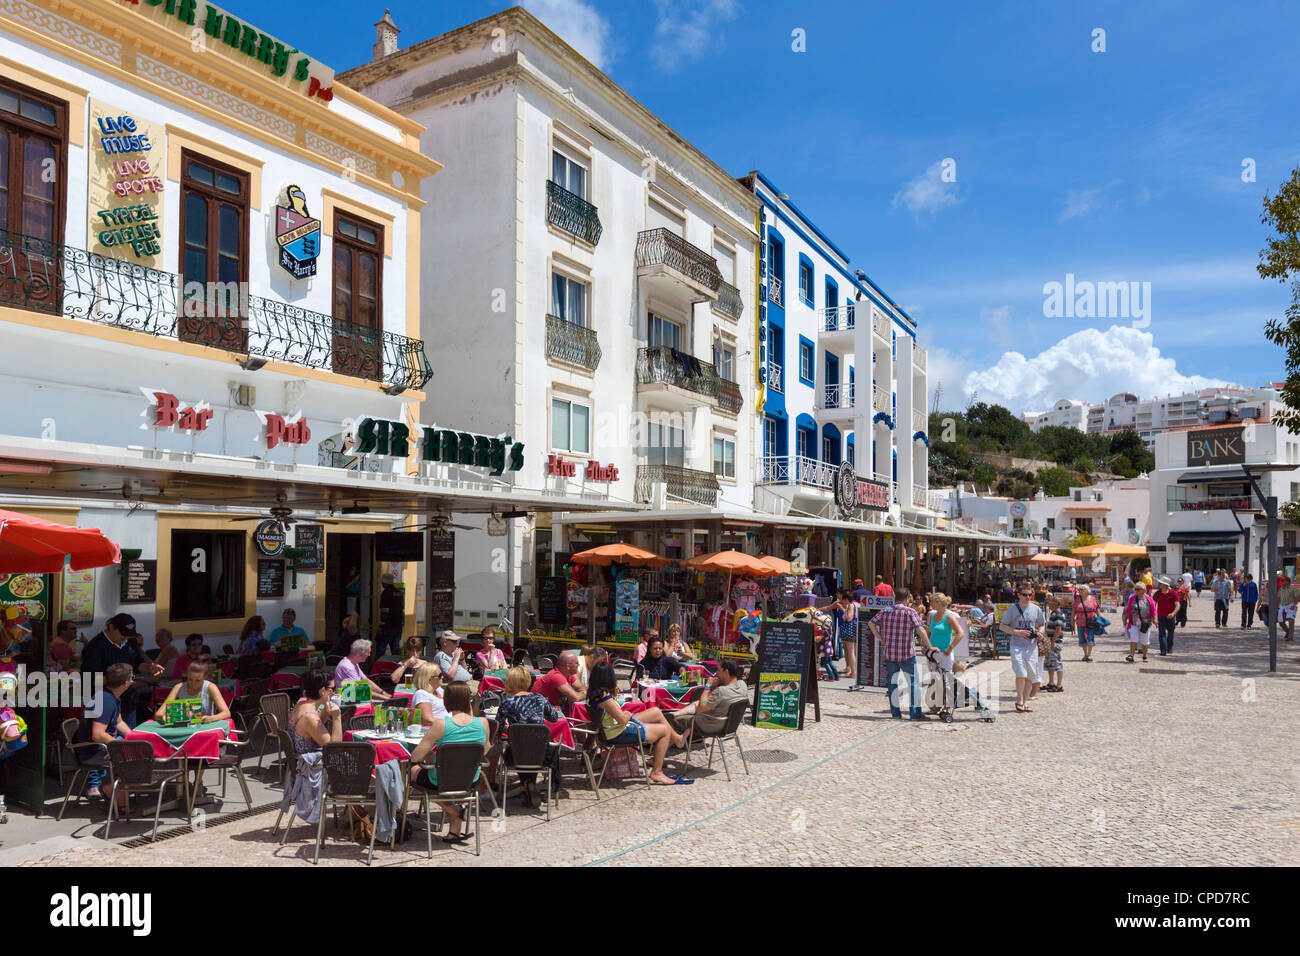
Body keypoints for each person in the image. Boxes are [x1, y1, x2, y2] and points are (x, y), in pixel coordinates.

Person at [585, 661, 689, 786]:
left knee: (656, 712)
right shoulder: (605, 697)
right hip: (617, 732)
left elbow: (614, 715)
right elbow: (623, 720)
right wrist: (627, 714)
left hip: (611, 729)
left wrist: (624, 713)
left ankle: (678, 740)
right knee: (664, 730)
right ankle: (657, 771)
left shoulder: (593, 694)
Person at [410, 682, 490, 841]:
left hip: (440, 780)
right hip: (470, 779)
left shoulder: (441, 724)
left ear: (446, 701)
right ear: (469, 700)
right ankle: (454, 831)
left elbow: (415, 757)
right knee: (454, 776)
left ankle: (452, 809)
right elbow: (485, 751)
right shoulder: (483, 723)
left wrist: (433, 755)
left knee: (410, 771)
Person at [487, 666, 563, 803]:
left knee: (517, 747)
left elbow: (497, 730)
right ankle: (529, 785)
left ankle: (526, 785)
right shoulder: (540, 699)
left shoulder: (507, 703)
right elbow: (554, 718)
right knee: (536, 747)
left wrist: (509, 730)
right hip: (542, 754)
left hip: (517, 754)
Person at [80, 613, 163, 726]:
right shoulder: (94, 647)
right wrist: (119, 680)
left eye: (128, 635)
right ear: (111, 628)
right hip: (103, 702)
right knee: (106, 737)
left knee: (127, 735)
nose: (125, 638)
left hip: (128, 700)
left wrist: (149, 668)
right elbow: (89, 679)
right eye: (122, 634)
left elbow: (138, 663)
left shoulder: (130, 641)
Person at [866, 588, 932, 720]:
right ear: (907, 598)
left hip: (890, 653)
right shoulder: (910, 612)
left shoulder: (886, 610)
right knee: (913, 684)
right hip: (906, 653)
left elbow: (871, 623)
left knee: (892, 684)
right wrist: (929, 646)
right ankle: (915, 713)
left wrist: (880, 638)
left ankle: (895, 713)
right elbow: (920, 629)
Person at [75, 662, 134, 800]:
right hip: (93, 751)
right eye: (132, 678)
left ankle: (116, 789)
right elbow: (98, 735)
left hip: (100, 747)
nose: (133, 681)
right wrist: (124, 746)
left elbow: (119, 722)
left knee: (139, 748)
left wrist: (134, 738)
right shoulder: (105, 701)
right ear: (126, 683)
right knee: (137, 754)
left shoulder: (110, 696)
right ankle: (111, 788)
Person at [669, 657, 748, 735]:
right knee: (697, 703)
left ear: (726, 672)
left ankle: (676, 740)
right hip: (729, 725)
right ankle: (675, 714)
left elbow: (701, 708)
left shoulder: (721, 691)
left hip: (710, 725)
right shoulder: (742, 684)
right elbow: (720, 700)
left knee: (675, 720)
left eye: (718, 670)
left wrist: (708, 686)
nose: (717, 673)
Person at [999, 585, 1045, 713]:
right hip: (1017, 645)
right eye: (1025, 594)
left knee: (1030, 675)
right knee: (1020, 672)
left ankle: (1025, 702)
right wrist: (1016, 632)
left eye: (1030, 595)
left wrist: (1040, 632)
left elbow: (1042, 624)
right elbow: (1002, 626)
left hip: (1031, 646)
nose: (1028, 597)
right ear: (1018, 595)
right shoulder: (1013, 610)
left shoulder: (1036, 609)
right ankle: (1019, 699)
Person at [925, 592, 967, 722]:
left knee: (946, 680)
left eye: (932, 602)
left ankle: (948, 706)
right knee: (935, 680)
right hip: (932, 653)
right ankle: (937, 705)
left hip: (944, 653)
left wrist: (950, 648)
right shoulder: (931, 615)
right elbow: (928, 631)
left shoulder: (949, 617)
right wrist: (925, 645)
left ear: (938, 603)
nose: (930, 604)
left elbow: (960, 633)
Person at [287, 668, 344, 755]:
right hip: (314, 763)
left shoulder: (301, 704)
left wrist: (327, 708)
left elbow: (319, 714)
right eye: (333, 688)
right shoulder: (309, 717)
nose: (334, 692)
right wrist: (337, 717)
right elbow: (334, 749)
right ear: (322, 691)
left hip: (306, 757)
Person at [154, 660, 232, 723]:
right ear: (186, 676)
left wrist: (212, 718)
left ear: (205, 678)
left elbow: (226, 713)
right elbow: (158, 714)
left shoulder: (210, 687)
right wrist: (164, 717)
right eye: (190, 679)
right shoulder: (179, 687)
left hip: (203, 728)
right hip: (182, 728)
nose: (193, 684)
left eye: (198, 680)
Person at [819, 590, 858, 686]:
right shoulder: (841, 603)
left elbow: (849, 618)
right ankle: (849, 669)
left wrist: (842, 609)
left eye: (839, 595)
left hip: (849, 631)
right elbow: (828, 607)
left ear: (845, 598)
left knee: (851, 651)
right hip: (845, 630)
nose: (837, 596)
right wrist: (818, 610)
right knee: (848, 651)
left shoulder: (851, 606)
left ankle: (854, 672)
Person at [1123, 582, 1156, 663]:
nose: (1136, 591)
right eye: (1135, 589)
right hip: (1134, 622)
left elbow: (1153, 610)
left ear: (1144, 590)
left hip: (1145, 623)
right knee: (1133, 639)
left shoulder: (1149, 599)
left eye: (1138, 589)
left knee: (1145, 641)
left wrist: (1155, 619)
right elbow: (1128, 609)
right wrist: (1125, 618)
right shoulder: (1132, 598)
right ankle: (1131, 655)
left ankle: (1144, 656)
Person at [1043, 593, 1067, 692]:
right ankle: (1051, 682)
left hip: (1055, 642)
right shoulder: (1054, 613)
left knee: (1057, 663)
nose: (1048, 604)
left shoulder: (1058, 614)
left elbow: (1058, 629)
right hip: (1051, 641)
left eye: (1050, 602)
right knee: (1050, 663)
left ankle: (1059, 685)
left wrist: (1052, 641)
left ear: (1056, 604)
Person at [377, 573, 404, 657]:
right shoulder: (399, 593)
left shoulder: (385, 593)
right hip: (398, 626)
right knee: (395, 649)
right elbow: (401, 610)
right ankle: (398, 666)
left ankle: (376, 667)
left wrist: (381, 626)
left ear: (385, 583)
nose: (381, 584)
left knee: (381, 649)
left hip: (388, 626)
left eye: (382, 582)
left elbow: (385, 611)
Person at [1072, 585, 1100, 662]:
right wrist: (1072, 621)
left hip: (1091, 621)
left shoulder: (1093, 599)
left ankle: (1089, 654)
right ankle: (1085, 654)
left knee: (1090, 637)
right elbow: (1073, 611)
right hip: (1080, 622)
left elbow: (1097, 609)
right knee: (1082, 638)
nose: (1080, 591)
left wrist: (1100, 619)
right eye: (1079, 589)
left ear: (1087, 590)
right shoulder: (1077, 600)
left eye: (1081, 589)